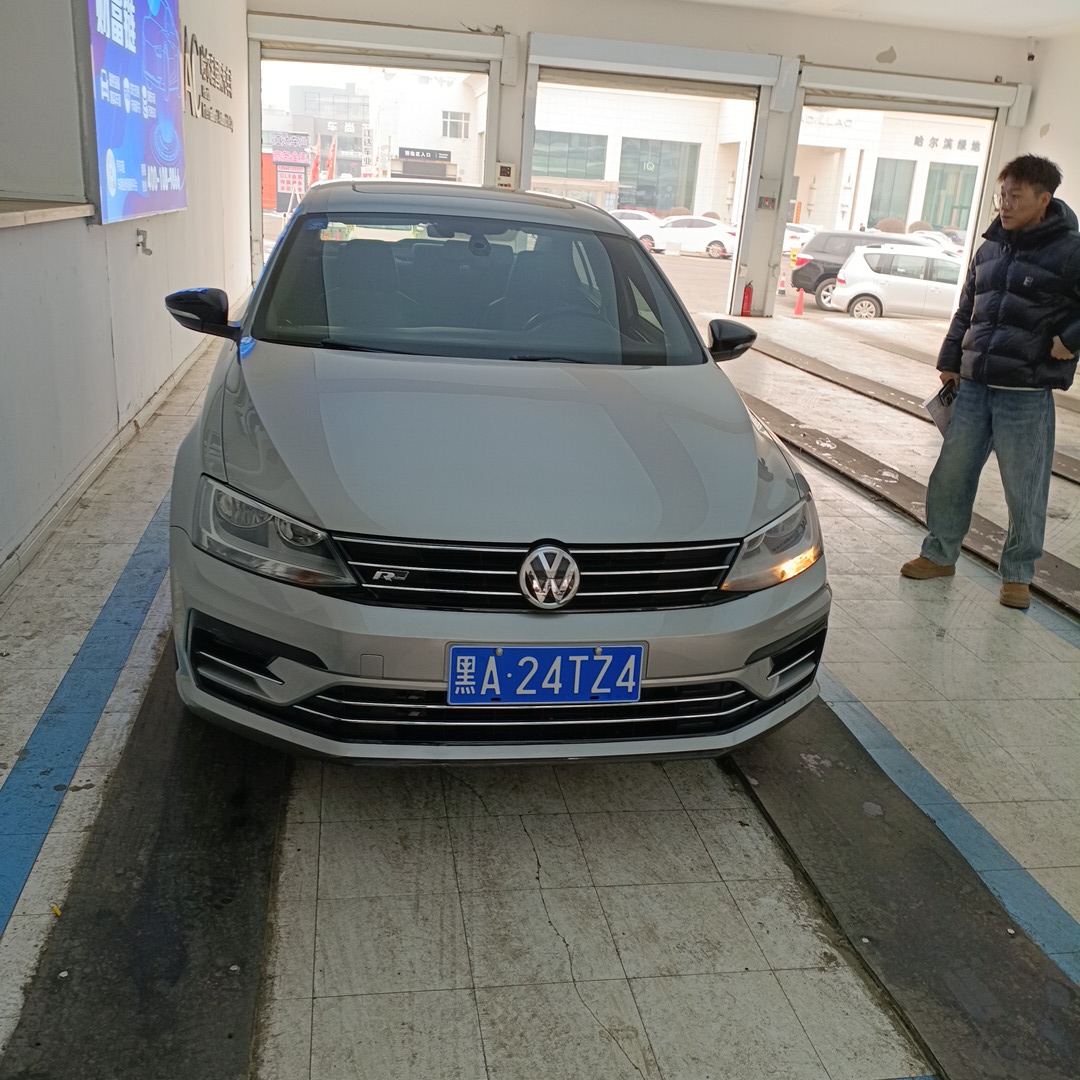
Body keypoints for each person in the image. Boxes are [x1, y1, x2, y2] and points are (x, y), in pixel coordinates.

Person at [900, 155, 1080, 609]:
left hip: (1025, 391)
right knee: (952, 474)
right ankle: (939, 554)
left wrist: (1071, 340)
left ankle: (1018, 575)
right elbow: (968, 308)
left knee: (1025, 487)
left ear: (1044, 199)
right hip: (975, 385)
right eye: (1002, 195)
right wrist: (950, 359)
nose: (1006, 204)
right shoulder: (989, 249)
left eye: (1016, 196)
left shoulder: (1070, 251)